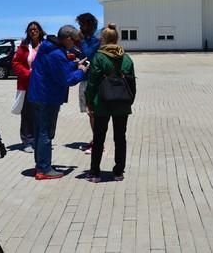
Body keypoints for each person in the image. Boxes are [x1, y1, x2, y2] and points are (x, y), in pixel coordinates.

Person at [27, 25, 89, 180]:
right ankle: (44, 169)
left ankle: (41, 164)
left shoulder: (48, 47)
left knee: (40, 132)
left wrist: (73, 64)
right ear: (67, 39)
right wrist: (81, 70)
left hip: (38, 95)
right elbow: (67, 79)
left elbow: (56, 69)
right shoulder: (56, 53)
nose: (75, 44)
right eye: (74, 41)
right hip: (47, 98)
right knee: (46, 133)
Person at [85, 23, 136, 183]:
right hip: (122, 103)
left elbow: (92, 83)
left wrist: (89, 101)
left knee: (99, 138)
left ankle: (95, 172)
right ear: (117, 38)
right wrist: (129, 100)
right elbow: (132, 84)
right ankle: (118, 172)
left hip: (102, 103)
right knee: (120, 138)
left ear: (103, 39)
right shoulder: (126, 58)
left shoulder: (99, 57)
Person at [12, 21, 46, 153]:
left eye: (35, 29)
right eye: (31, 30)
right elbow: (16, 63)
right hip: (27, 84)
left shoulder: (45, 46)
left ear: (40, 31)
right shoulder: (24, 46)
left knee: (41, 113)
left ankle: (39, 140)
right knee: (27, 114)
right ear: (27, 32)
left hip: (42, 86)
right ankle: (27, 141)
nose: (33, 31)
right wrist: (28, 74)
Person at [75, 13, 100, 154]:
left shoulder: (98, 40)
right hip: (84, 80)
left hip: (94, 81)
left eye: (82, 24)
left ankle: (98, 143)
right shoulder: (83, 40)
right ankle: (95, 140)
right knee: (90, 113)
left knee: (94, 113)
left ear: (89, 24)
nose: (80, 27)